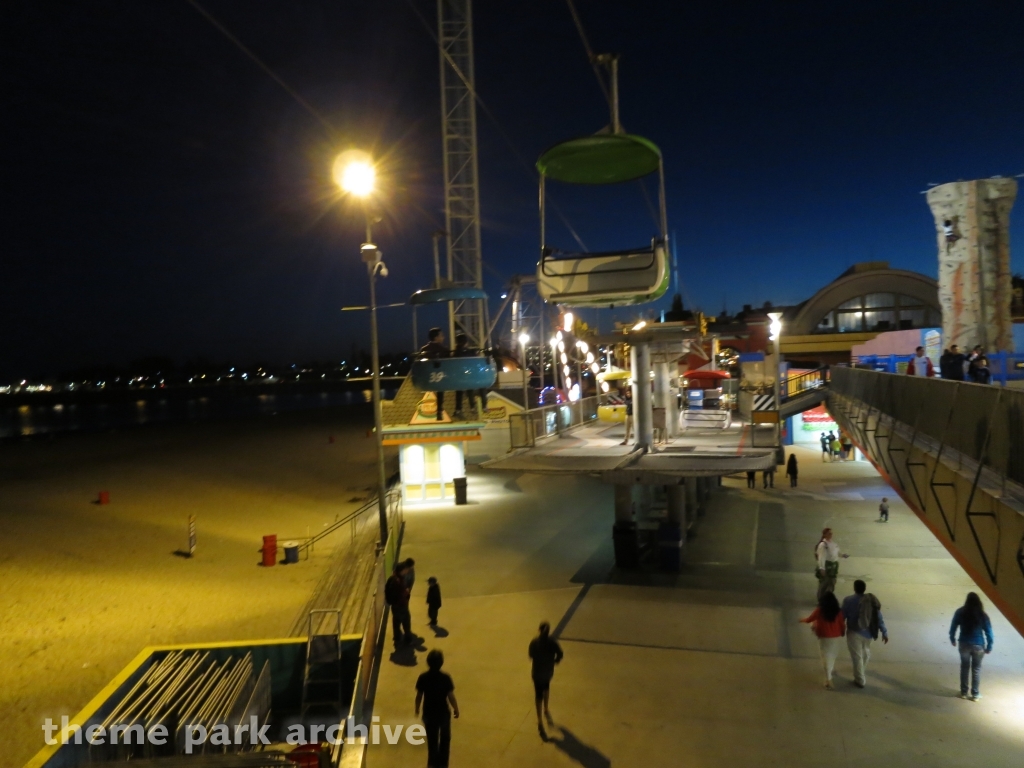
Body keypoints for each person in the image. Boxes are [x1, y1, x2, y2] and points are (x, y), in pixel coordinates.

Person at [415, 650, 459, 768]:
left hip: (429, 713)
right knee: (445, 738)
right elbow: (451, 696)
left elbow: (419, 696)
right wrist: (456, 708)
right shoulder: (445, 678)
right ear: (442, 662)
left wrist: (417, 709)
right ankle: (443, 763)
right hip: (443, 713)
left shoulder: (423, 677)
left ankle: (432, 763)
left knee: (432, 739)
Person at [841, 580, 889, 688]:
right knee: (866, 653)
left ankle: (860, 680)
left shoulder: (848, 600)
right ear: (864, 589)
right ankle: (860, 670)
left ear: (854, 588)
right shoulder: (871, 600)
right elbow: (879, 618)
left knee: (857, 656)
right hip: (869, 633)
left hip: (854, 632)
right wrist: (884, 632)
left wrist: (840, 629)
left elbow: (841, 616)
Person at [949, 592, 994, 701]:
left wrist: (952, 638)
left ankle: (964, 692)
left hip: (964, 644)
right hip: (978, 645)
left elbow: (953, 626)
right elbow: (989, 633)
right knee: (976, 669)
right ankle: (975, 694)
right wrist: (989, 646)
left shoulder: (960, 612)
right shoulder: (983, 615)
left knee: (964, 667)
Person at [800, 591, 846, 689]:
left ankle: (828, 678)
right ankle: (829, 672)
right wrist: (843, 632)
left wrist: (802, 620)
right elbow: (842, 623)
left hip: (824, 636)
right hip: (836, 636)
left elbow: (809, 619)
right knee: (833, 654)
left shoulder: (820, 610)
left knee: (825, 656)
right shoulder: (838, 611)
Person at [528, 621, 563, 729]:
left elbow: (530, 655)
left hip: (537, 672)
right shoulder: (552, 642)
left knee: (538, 695)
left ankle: (539, 721)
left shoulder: (534, 642)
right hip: (548, 671)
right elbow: (560, 654)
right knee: (546, 686)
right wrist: (555, 661)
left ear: (539, 630)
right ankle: (546, 708)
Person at [420, 328, 450, 420]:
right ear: (436, 337)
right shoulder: (443, 350)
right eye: (442, 336)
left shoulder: (423, 349)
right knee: (441, 386)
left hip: (425, 377)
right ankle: (439, 411)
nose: (443, 338)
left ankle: (438, 411)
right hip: (439, 377)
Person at [815, 527, 849, 600]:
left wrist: (842, 555)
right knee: (824, 583)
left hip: (833, 567)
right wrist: (822, 568)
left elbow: (836, 553)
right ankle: (821, 599)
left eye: (831, 533)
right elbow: (821, 557)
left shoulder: (833, 544)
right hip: (827, 566)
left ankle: (827, 598)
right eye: (829, 533)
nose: (831, 534)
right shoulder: (823, 545)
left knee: (832, 582)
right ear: (825, 535)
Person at [452, 334, 481, 419]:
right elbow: (473, 358)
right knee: (470, 390)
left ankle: (458, 409)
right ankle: (472, 407)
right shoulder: (468, 352)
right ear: (465, 342)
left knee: (459, 393)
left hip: (457, 375)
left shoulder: (455, 352)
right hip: (467, 374)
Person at [384, 563, 412, 646]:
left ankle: (397, 638)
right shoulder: (398, 581)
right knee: (406, 622)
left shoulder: (392, 578)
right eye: (406, 570)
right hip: (401, 606)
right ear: (402, 570)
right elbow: (401, 594)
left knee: (396, 622)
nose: (407, 571)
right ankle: (408, 640)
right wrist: (407, 594)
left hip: (394, 606)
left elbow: (386, 589)